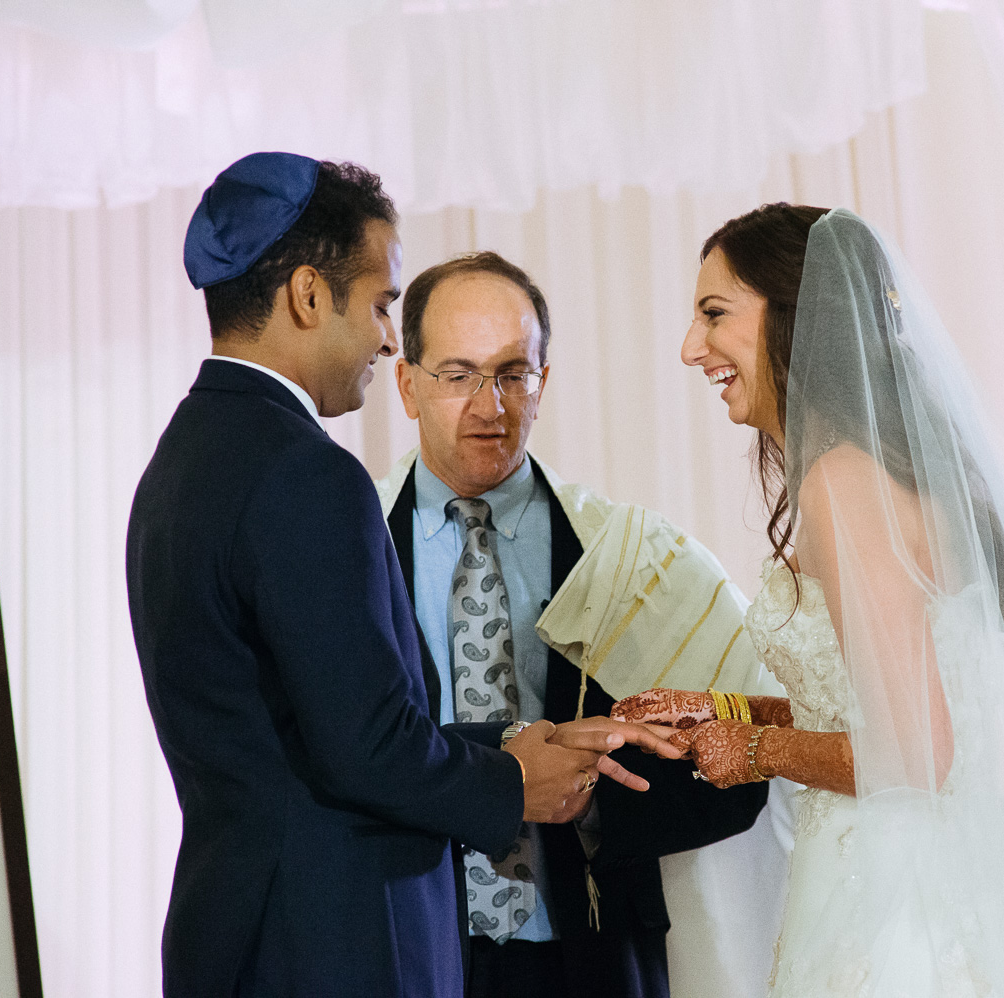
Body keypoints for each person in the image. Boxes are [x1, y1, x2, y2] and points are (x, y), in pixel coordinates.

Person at [616, 206, 1004, 996]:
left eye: (714, 313)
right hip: (928, 875)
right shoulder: (880, 469)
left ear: (795, 315)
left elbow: (918, 752)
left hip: (898, 908)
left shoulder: (843, 482)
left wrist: (753, 754)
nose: (690, 348)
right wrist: (725, 713)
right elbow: (874, 701)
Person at [126, 153, 678, 998]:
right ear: (310, 296)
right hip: (334, 943)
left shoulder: (181, 459)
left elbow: (304, 734)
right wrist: (516, 781)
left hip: (237, 931)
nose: (387, 338)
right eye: (381, 304)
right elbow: (368, 746)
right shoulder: (305, 471)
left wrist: (507, 744)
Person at [376, 250, 771, 998]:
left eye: (513, 374)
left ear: (543, 382)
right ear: (407, 384)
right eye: (457, 375)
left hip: (591, 952)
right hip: (405, 948)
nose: (489, 405)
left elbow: (738, 762)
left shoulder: (632, 554)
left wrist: (593, 800)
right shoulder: (347, 546)